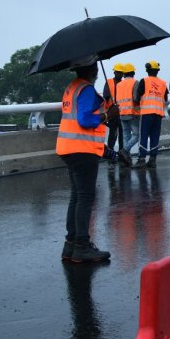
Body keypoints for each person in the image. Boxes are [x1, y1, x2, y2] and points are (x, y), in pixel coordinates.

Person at [57, 59, 112, 263]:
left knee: (76, 198)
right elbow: (85, 120)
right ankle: (82, 246)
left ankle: (70, 245)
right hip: (82, 149)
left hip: (68, 148)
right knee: (85, 198)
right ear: (93, 70)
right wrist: (106, 115)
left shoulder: (71, 88)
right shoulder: (87, 89)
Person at [134, 60, 169, 167]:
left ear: (147, 71)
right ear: (157, 71)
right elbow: (166, 99)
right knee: (155, 136)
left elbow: (136, 98)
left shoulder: (144, 81)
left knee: (143, 135)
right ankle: (153, 159)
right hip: (158, 113)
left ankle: (141, 159)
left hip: (146, 113)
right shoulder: (163, 83)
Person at [115, 63, 139, 166]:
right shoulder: (135, 82)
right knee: (137, 135)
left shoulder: (119, 84)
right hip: (132, 113)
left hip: (122, 112)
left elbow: (117, 99)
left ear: (124, 74)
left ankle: (127, 158)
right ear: (133, 72)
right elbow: (136, 98)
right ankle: (124, 151)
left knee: (126, 136)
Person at [102, 63, 125, 162]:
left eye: (121, 72)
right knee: (113, 134)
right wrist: (108, 111)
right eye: (118, 72)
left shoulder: (123, 84)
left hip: (122, 111)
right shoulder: (109, 82)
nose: (119, 74)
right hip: (113, 112)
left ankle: (121, 154)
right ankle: (111, 154)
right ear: (114, 72)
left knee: (122, 135)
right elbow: (106, 96)